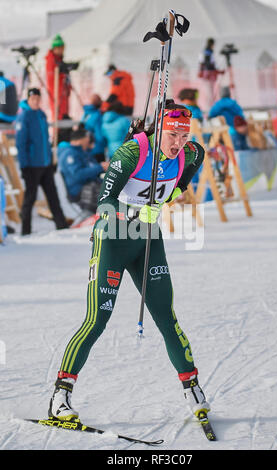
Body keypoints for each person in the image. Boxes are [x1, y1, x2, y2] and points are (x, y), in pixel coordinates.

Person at [48, 100, 211, 424]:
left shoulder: (190, 153)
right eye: (172, 136)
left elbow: (187, 174)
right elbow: (104, 203)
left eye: (183, 136)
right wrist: (135, 212)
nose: (178, 144)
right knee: (97, 319)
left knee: (166, 317)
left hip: (147, 241)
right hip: (113, 237)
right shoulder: (132, 154)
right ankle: (60, 395)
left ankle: (192, 388)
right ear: (158, 129)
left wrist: (167, 197)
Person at [15, 88, 68, 236]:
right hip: (32, 165)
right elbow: (20, 143)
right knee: (30, 197)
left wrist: (51, 160)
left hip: (45, 163)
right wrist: (24, 165)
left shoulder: (41, 115)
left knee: (53, 195)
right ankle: (26, 230)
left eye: (38, 99)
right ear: (28, 99)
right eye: (33, 99)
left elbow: (46, 141)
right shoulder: (24, 117)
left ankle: (61, 225)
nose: (36, 102)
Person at [57, 127, 109, 216]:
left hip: (91, 186)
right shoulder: (69, 153)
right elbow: (78, 174)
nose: (90, 141)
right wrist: (100, 167)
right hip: (80, 190)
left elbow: (93, 168)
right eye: (88, 139)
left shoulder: (84, 152)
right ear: (82, 139)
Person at [45, 34, 71, 122]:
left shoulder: (59, 60)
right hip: (57, 95)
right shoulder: (51, 60)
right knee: (58, 116)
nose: (62, 50)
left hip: (63, 94)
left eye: (63, 48)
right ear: (55, 48)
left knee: (64, 116)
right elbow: (52, 79)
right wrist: (62, 72)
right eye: (60, 48)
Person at [198, 38, 224, 110]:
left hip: (207, 74)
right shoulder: (208, 51)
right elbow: (207, 64)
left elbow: (203, 63)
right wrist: (216, 71)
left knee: (210, 91)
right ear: (212, 44)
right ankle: (211, 107)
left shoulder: (206, 51)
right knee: (210, 92)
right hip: (208, 74)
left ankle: (210, 106)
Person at [81, 94, 105, 162]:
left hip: (85, 148)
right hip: (97, 149)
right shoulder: (97, 115)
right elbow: (99, 135)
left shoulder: (85, 114)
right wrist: (104, 143)